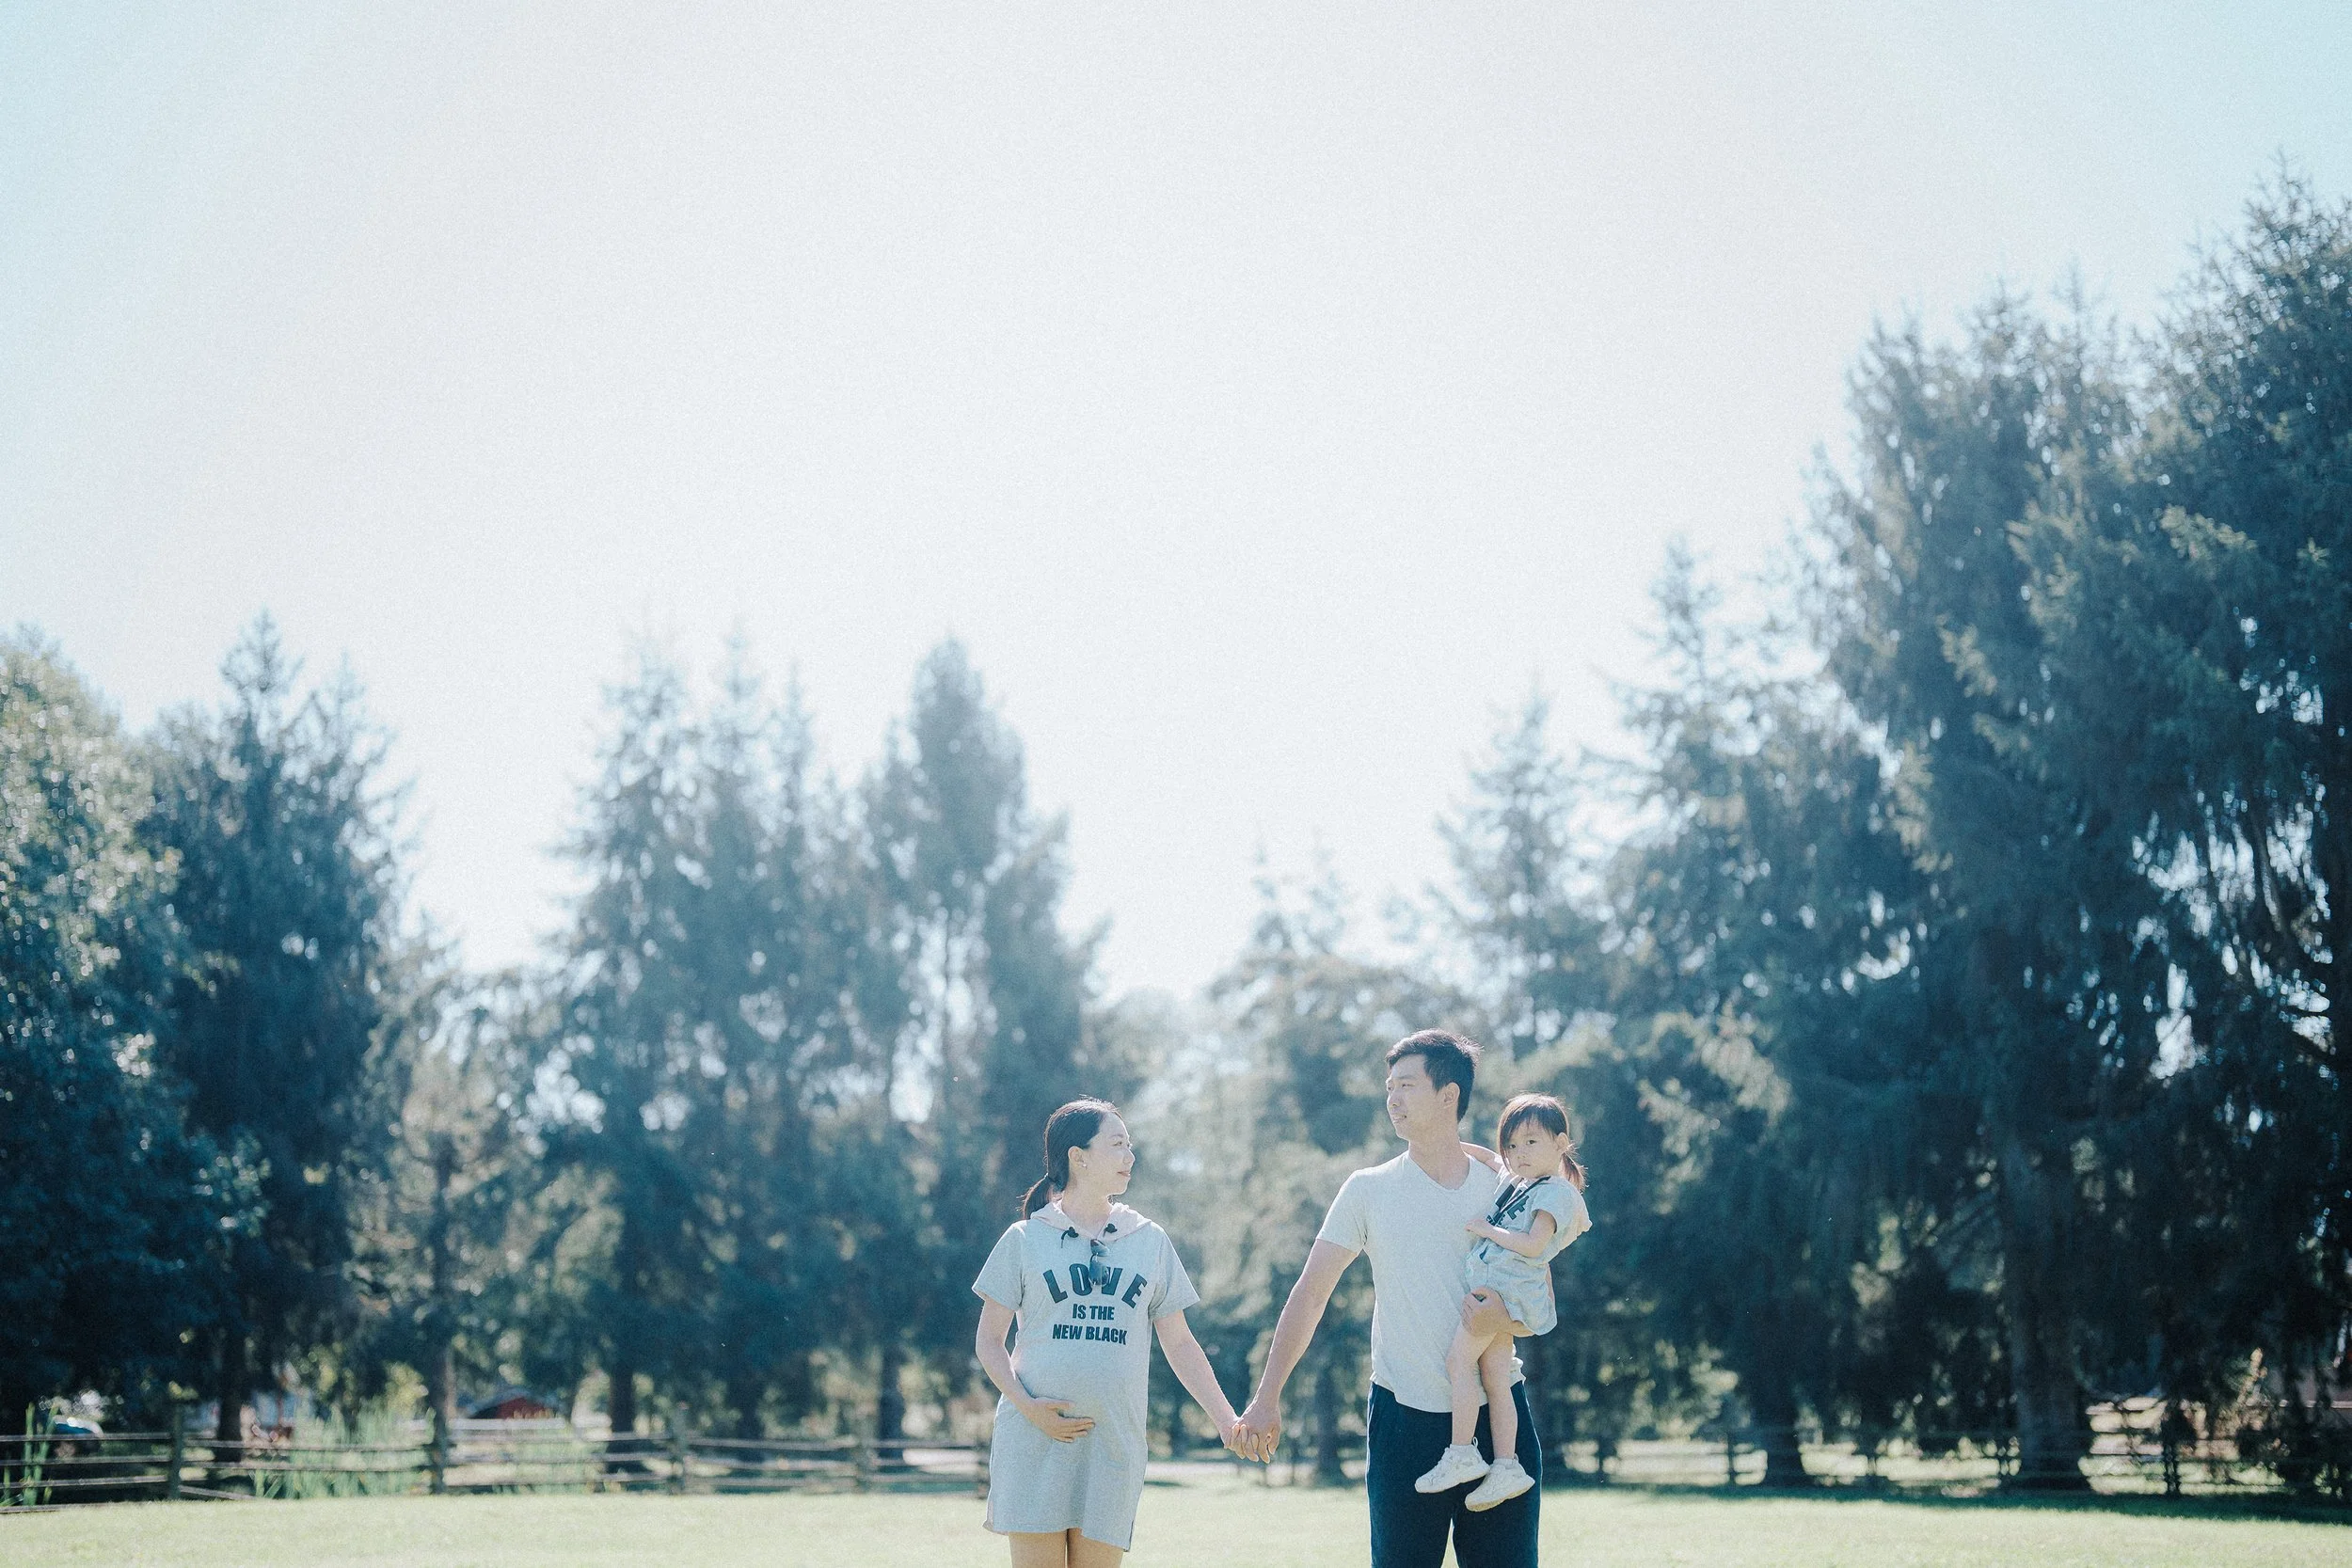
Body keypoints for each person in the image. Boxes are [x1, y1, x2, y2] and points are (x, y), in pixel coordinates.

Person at [1237, 1030, 1547, 1568]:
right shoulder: (1367, 1189)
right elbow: (1310, 1295)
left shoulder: (1506, 1189)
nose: (1393, 1099)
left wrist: (1505, 1316)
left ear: (1449, 1095)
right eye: (1389, 1087)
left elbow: (1538, 1300)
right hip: (1403, 1423)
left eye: (1407, 1085)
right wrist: (1267, 1397)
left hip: (1498, 1424)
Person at [973, 1099, 1248, 1568]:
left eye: (1130, 1146)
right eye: (1117, 1145)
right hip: (1036, 1438)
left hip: (1112, 1446)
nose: (1130, 1156)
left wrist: (1225, 1420)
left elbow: (1179, 1342)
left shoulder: (1148, 1240)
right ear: (1078, 1156)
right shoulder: (1024, 1239)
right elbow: (988, 1342)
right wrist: (1028, 1407)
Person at [1415, 1093, 1589, 1510]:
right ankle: (1507, 1466)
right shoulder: (1523, 1182)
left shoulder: (1556, 1194)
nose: (1518, 1153)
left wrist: (1485, 1229)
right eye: (1512, 1144)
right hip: (1500, 1289)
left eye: (1531, 1142)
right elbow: (1493, 1162)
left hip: (1499, 1292)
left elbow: (1533, 1245)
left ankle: (1461, 1452)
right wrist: (1454, 1147)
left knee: (1458, 1363)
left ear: (1561, 1143)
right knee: (1495, 1378)